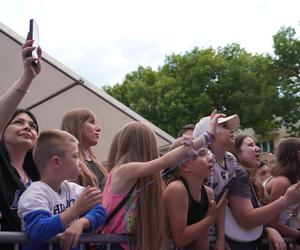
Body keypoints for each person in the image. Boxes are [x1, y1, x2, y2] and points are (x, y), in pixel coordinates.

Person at [102, 111, 222, 250]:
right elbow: (167, 160)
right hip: (113, 245)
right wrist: (207, 137)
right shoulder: (123, 171)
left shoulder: (134, 176)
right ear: (146, 146)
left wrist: (186, 147)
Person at [18, 129, 106, 250]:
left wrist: (81, 223)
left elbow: (100, 211)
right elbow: (37, 230)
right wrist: (75, 211)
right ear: (57, 162)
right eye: (75, 156)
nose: (80, 162)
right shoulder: (34, 194)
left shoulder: (73, 189)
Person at [0, 39, 42, 250]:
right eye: (18, 122)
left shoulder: (39, 176)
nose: (28, 127)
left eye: (33, 126)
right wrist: (27, 77)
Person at [226, 133, 300, 250]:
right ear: (238, 153)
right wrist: (285, 201)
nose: (258, 148)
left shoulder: (253, 181)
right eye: (250, 145)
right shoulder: (238, 176)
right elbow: (250, 219)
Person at [163, 136, 227, 250]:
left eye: (208, 152)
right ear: (184, 166)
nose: (210, 157)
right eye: (202, 154)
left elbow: (203, 237)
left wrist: (210, 219)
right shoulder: (176, 189)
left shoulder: (208, 192)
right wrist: (211, 218)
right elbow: (180, 239)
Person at [193, 114, 240, 249]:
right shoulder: (203, 161)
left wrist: (220, 237)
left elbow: (221, 202)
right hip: (197, 232)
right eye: (224, 126)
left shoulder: (231, 160)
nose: (231, 130)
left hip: (216, 230)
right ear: (209, 134)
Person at [264, 138, 300, 244]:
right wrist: (298, 236)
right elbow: (271, 221)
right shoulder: (282, 182)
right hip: (276, 241)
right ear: (297, 155)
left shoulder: (289, 179)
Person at [61, 108, 108, 189]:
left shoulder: (97, 164)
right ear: (77, 126)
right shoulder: (69, 166)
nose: (99, 128)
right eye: (91, 122)